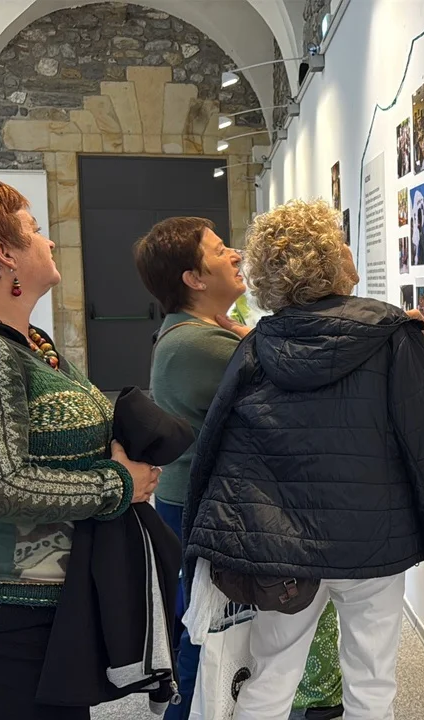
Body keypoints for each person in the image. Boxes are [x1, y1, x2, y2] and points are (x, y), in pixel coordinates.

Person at [183, 200, 424, 720]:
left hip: (281, 551)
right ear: (330, 261)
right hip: (374, 542)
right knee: (372, 682)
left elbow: (219, 455)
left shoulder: (256, 348)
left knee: (270, 677)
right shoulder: (393, 339)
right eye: (341, 242)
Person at [0, 176, 160, 719]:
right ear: (5, 254)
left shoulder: (27, 345)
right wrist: (117, 484)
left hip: (42, 607)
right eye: (35, 229)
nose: (48, 240)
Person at [133, 218, 349, 720]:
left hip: (198, 501)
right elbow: (298, 392)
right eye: (218, 250)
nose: (234, 254)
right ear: (193, 278)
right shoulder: (200, 345)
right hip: (205, 506)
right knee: (209, 632)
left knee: (209, 628)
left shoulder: (202, 334)